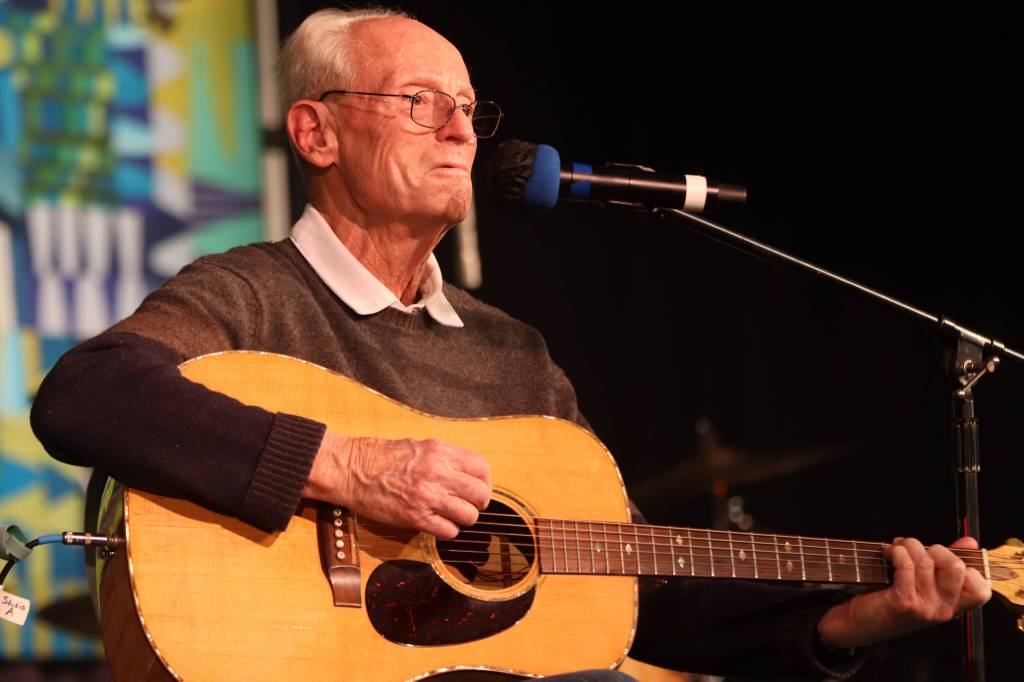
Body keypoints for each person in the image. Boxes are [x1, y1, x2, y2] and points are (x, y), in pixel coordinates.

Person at [30, 8, 990, 681]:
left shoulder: (513, 355)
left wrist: (843, 619)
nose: (461, 130)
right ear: (316, 132)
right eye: (419, 101)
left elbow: (625, 586)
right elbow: (89, 395)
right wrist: (349, 467)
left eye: (469, 108)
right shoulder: (251, 294)